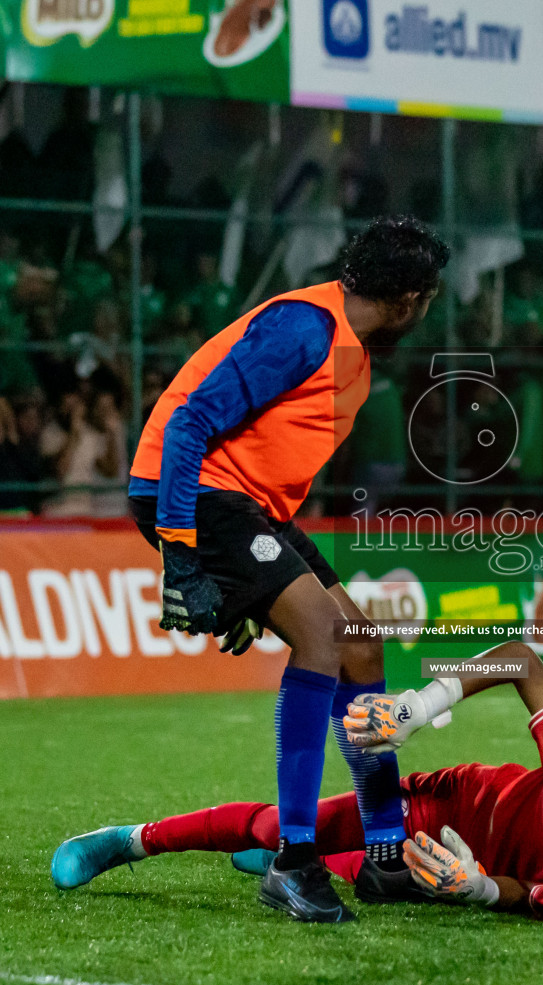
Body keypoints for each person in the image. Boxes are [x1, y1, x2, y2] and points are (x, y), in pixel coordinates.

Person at [124, 215, 448, 923]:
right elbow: (188, 425)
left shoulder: (350, 346)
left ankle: (386, 857)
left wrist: (242, 575)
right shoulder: (305, 329)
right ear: (409, 298)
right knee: (323, 637)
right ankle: (294, 861)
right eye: (428, 299)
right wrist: (181, 556)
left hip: (251, 507)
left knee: (361, 642)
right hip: (196, 492)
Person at [50, 643, 543, 926]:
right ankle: (127, 841)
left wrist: (477, 888)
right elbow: (519, 655)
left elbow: (533, 898)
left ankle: (313, 861)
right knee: (280, 826)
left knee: (381, 882)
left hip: (453, 864)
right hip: (445, 800)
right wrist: (419, 708)